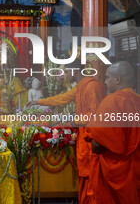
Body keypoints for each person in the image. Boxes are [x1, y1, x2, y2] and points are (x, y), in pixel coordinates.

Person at [26, 61, 106, 204]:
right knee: (85, 174)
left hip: (93, 138)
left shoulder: (92, 86)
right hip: (84, 136)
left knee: (92, 175)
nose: (64, 76)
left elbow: (96, 115)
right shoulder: (81, 86)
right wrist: (38, 102)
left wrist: (75, 120)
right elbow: (61, 98)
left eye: (66, 72)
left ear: (74, 71)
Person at [85, 61, 140, 204]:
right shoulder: (138, 100)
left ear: (118, 79)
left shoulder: (112, 101)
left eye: (107, 77)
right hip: (136, 171)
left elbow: (97, 145)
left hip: (116, 174)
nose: (105, 81)